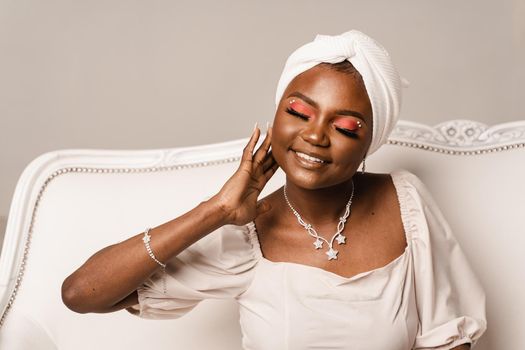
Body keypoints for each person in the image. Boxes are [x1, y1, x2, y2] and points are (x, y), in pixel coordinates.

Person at [61, 30, 487, 349]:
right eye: (300, 112)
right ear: (277, 115)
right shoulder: (245, 240)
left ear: (370, 143)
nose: (315, 136)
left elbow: (450, 339)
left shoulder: (405, 201)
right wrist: (215, 210)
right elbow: (81, 294)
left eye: (344, 127)